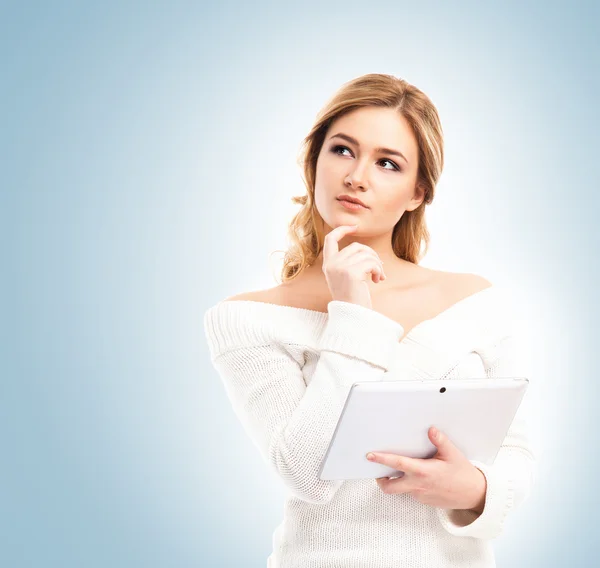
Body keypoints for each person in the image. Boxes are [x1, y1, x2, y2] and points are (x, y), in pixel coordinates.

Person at [203, 73, 536, 568]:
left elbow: (516, 451)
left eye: (387, 163)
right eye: (342, 150)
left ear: (418, 192)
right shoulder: (246, 321)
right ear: (313, 163)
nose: (357, 176)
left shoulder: (476, 303)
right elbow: (308, 474)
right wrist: (352, 313)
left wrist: (475, 489)